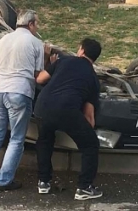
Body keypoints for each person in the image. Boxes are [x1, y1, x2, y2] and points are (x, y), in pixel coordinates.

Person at [0, 11, 49, 191]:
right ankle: (4, 180)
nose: (37, 28)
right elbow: (37, 74)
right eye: (36, 24)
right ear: (31, 24)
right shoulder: (35, 43)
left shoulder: (2, 40)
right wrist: (48, 59)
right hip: (19, 90)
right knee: (16, 138)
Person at [34, 38, 103, 201]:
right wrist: (88, 131)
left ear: (81, 50)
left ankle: (43, 182)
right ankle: (84, 187)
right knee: (91, 144)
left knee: (44, 140)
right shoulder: (93, 78)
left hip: (42, 106)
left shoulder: (64, 61)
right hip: (66, 110)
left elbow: (40, 79)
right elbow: (89, 114)